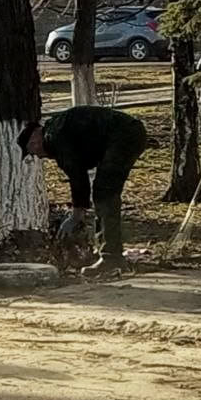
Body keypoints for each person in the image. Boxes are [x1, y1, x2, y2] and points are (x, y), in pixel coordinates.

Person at [18, 107, 148, 276]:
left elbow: (77, 175)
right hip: (127, 132)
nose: (39, 156)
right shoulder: (57, 130)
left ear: (35, 138)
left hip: (123, 135)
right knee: (103, 191)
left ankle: (111, 258)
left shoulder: (55, 138)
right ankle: (107, 252)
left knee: (105, 192)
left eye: (33, 151)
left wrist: (76, 214)